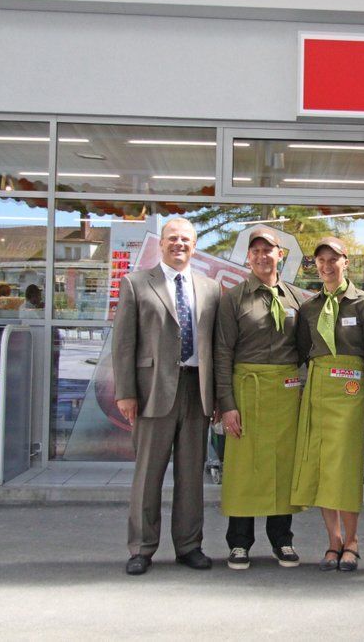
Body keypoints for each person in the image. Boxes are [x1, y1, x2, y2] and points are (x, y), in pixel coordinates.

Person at [112, 218, 221, 576]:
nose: (179, 244)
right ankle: (141, 548)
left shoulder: (210, 288)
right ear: (161, 244)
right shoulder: (136, 283)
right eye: (172, 238)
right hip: (152, 391)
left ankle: (189, 546)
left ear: (195, 245)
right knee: (148, 475)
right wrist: (126, 392)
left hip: (196, 391)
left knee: (191, 476)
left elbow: (217, 347)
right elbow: (123, 343)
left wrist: (218, 396)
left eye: (186, 239)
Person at [214, 227, 304, 570]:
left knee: (283, 465)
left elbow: (304, 347)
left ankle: (282, 540)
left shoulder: (295, 298)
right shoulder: (233, 298)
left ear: (280, 254)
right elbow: (222, 353)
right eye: (256, 251)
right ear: (248, 257)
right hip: (246, 391)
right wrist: (227, 405)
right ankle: (239, 542)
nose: (262, 256)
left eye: (269, 250)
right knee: (244, 468)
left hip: (285, 393)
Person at [291, 237, 364, 572]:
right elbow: (302, 352)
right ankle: (333, 541)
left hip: (351, 393)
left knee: (345, 467)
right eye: (321, 261)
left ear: (346, 262)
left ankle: (352, 541)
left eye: (333, 259)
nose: (327, 266)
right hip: (318, 391)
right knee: (322, 467)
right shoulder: (309, 308)